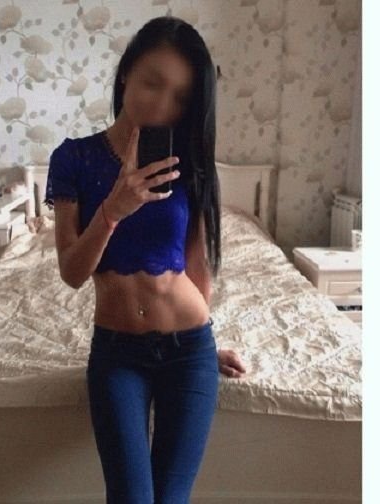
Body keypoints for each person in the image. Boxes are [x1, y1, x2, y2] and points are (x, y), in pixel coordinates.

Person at [44, 15, 246, 504]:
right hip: (117, 355)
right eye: (153, 83)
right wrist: (113, 210)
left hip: (189, 349)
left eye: (180, 97)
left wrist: (207, 347)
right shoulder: (73, 159)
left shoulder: (189, 165)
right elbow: (72, 272)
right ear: (125, 75)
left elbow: (197, 268)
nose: (162, 104)